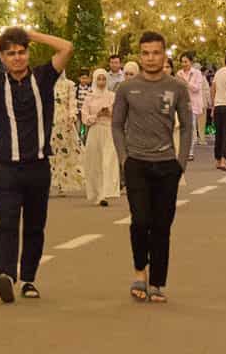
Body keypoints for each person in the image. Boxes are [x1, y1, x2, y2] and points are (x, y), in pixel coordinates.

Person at [0, 26, 73, 303]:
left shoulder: (43, 77)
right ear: (2, 57)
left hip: (38, 167)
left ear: (28, 53)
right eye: (10, 53)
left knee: (34, 227)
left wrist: (32, 35)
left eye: (21, 52)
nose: (17, 58)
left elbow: (66, 47)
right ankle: (6, 275)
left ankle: (29, 279)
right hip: (7, 169)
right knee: (7, 223)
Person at [113, 31, 194, 303]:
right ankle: (140, 272)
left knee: (161, 225)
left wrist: (180, 163)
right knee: (140, 221)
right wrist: (124, 158)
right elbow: (116, 125)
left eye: (156, 53)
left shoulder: (177, 87)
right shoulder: (126, 88)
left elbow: (187, 126)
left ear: (164, 54)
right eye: (145, 53)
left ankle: (157, 282)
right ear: (140, 55)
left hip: (167, 165)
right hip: (136, 163)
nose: (150, 58)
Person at [79, 68, 121, 206]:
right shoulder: (89, 97)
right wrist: (96, 115)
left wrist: (109, 112)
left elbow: (118, 114)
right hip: (94, 131)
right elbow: (84, 117)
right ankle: (97, 193)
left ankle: (106, 193)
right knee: (94, 162)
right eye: (99, 79)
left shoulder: (112, 96)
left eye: (104, 79)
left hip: (108, 131)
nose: (101, 82)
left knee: (108, 162)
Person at [49, 68, 83, 196]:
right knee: (49, 153)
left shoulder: (69, 84)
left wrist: (72, 116)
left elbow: (72, 102)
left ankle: (62, 184)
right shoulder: (47, 83)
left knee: (64, 153)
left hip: (64, 122)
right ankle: (48, 183)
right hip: (49, 121)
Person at [178, 53, 208, 160]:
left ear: (190, 62)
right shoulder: (179, 73)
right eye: (182, 62)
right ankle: (181, 150)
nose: (184, 64)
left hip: (193, 105)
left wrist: (185, 83)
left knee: (190, 127)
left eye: (186, 62)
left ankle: (190, 152)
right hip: (181, 103)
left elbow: (196, 88)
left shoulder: (197, 73)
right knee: (181, 128)